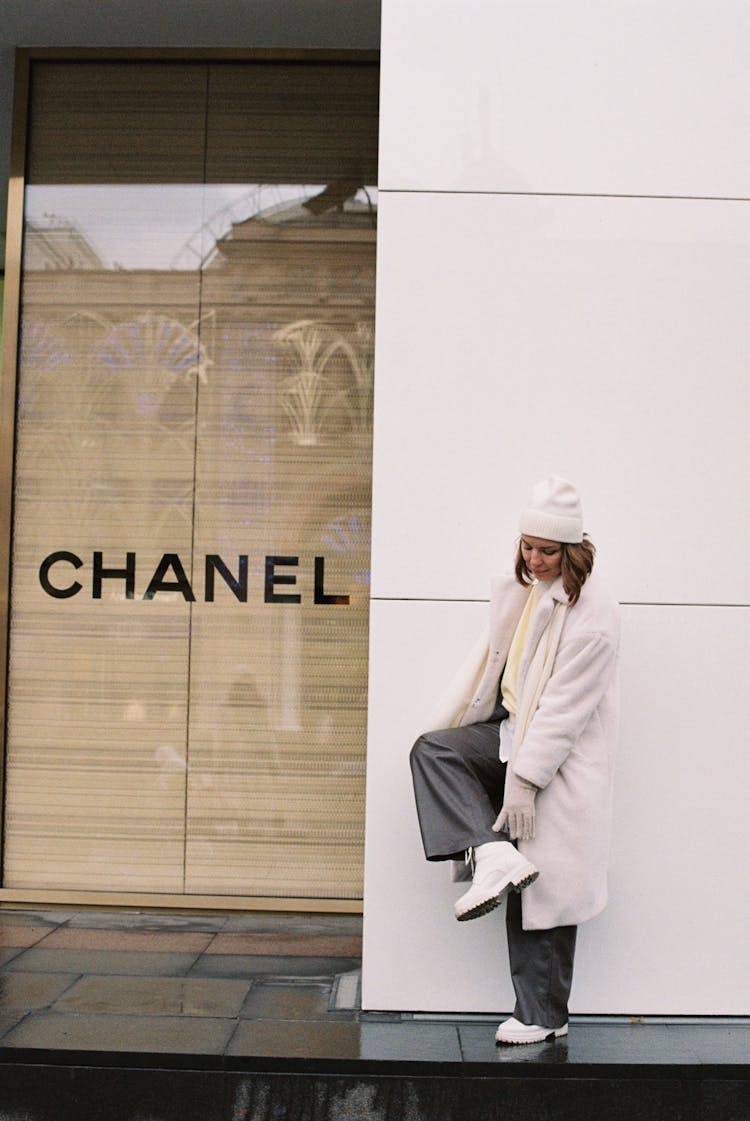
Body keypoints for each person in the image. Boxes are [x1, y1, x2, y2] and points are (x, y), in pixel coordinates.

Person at [410, 475, 620, 1045]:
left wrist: (524, 782)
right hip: (508, 736)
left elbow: (563, 710)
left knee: (546, 893)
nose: (535, 558)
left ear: (575, 550)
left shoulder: (594, 614)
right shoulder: (526, 591)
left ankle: (544, 1017)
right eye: (528, 546)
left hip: (554, 761)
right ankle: (493, 852)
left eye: (547, 550)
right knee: (436, 751)